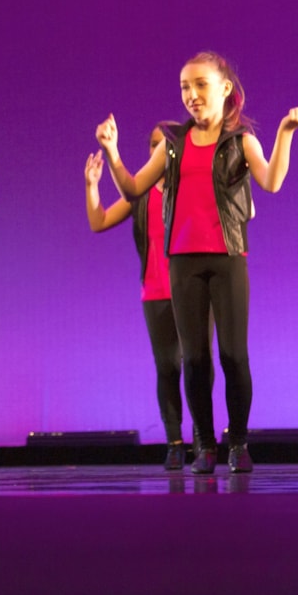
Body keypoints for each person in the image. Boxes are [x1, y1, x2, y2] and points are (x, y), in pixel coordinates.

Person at [96, 51, 298, 474]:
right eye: (185, 87)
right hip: (183, 261)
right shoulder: (172, 145)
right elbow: (133, 188)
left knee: (233, 356)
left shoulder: (241, 141)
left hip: (228, 258)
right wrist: (112, 151)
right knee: (195, 360)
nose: (192, 95)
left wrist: (286, 131)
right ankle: (205, 445)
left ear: (225, 88)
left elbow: (271, 181)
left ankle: (239, 443)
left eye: (200, 85)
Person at [85, 125, 198, 470]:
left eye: (163, 144)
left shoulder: (191, 188)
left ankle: (203, 440)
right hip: (156, 292)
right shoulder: (142, 195)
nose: (156, 150)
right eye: (152, 144)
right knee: (167, 367)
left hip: (193, 292)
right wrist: (92, 186)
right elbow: (99, 221)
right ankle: (174, 442)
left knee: (197, 365)